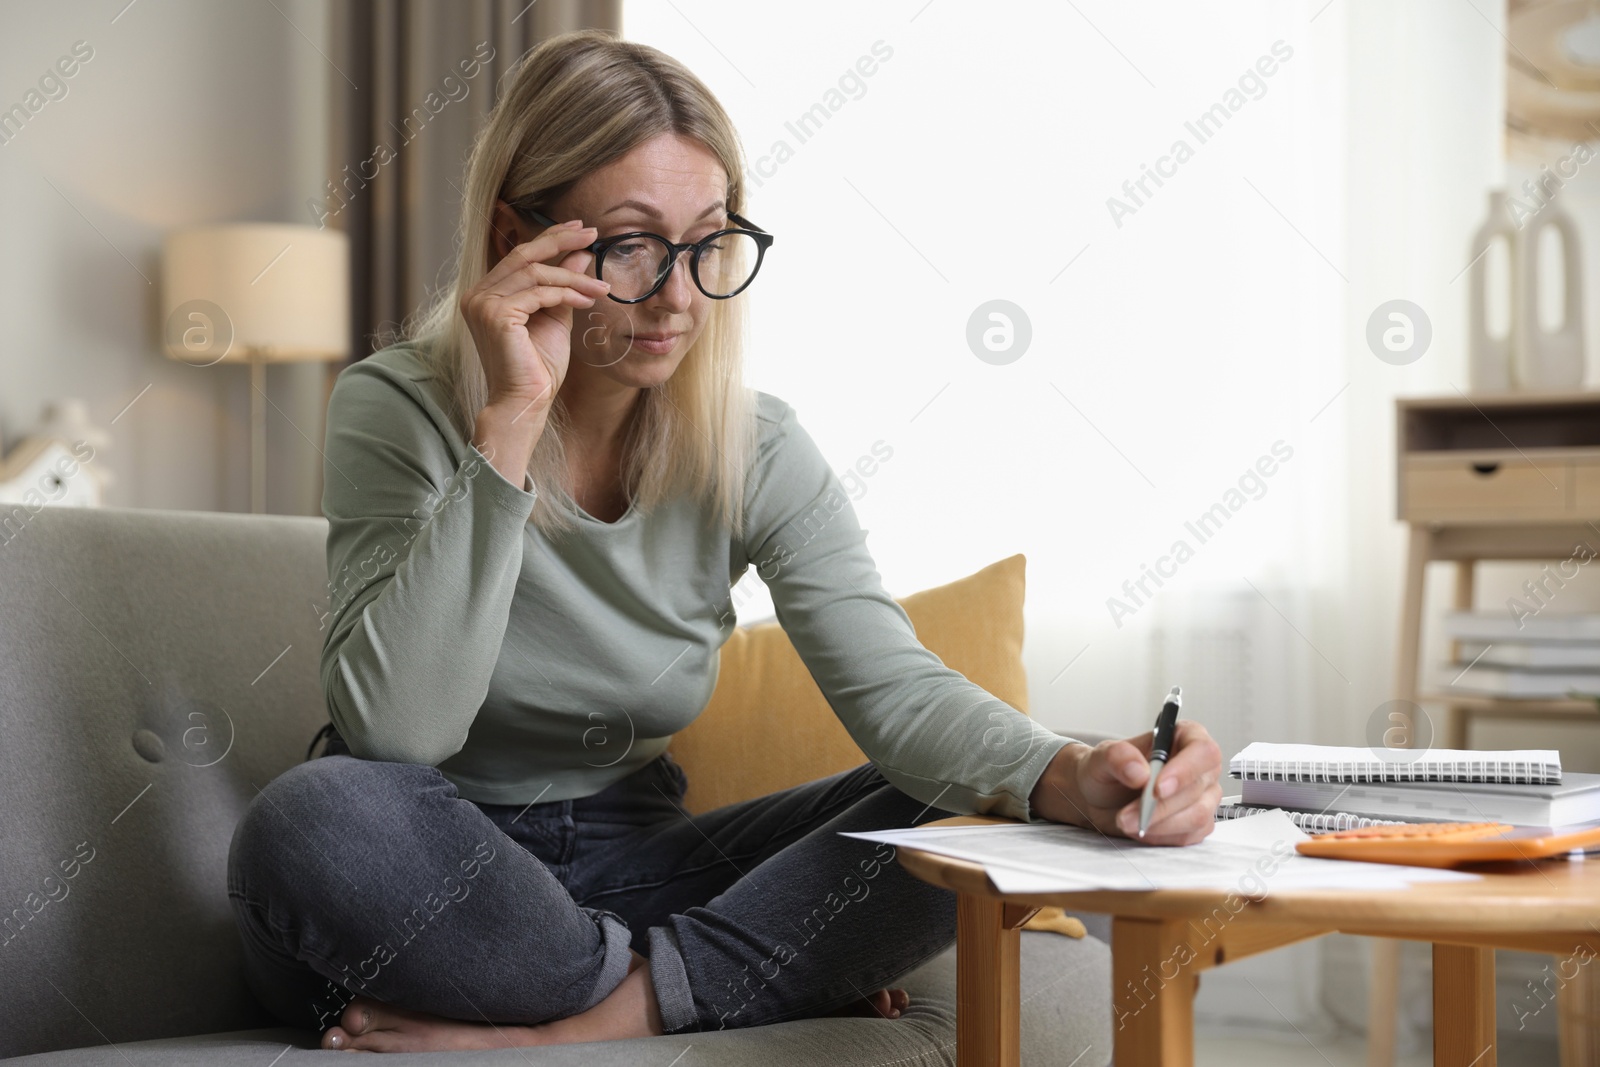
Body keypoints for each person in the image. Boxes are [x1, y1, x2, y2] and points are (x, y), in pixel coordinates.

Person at [226, 28, 1223, 1054]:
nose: (678, 295)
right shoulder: (394, 407)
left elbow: (896, 692)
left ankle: (595, 1019)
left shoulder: (753, 443)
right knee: (314, 818)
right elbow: (399, 730)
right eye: (629, 246)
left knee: (994, 797)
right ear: (514, 237)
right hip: (429, 877)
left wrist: (1072, 772)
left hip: (638, 861)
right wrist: (510, 426)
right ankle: (716, 976)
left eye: (707, 244)